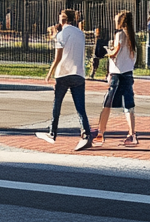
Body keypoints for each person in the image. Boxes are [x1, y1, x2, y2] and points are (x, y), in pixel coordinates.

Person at [38, 9, 92, 152]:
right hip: (78, 73)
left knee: (57, 104)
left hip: (63, 74)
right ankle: (87, 134)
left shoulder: (62, 34)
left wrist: (49, 73)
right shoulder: (80, 33)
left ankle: (52, 132)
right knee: (81, 108)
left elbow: (58, 57)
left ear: (64, 19)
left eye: (60, 16)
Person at [93, 10, 139, 148]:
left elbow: (115, 51)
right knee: (128, 105)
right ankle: (132, 134)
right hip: (128, 72)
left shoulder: (119, 35)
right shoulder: (132, 37)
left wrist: (107, 51)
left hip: (116, 74)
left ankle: (101, 133)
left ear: (120, 22)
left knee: (107, 103)